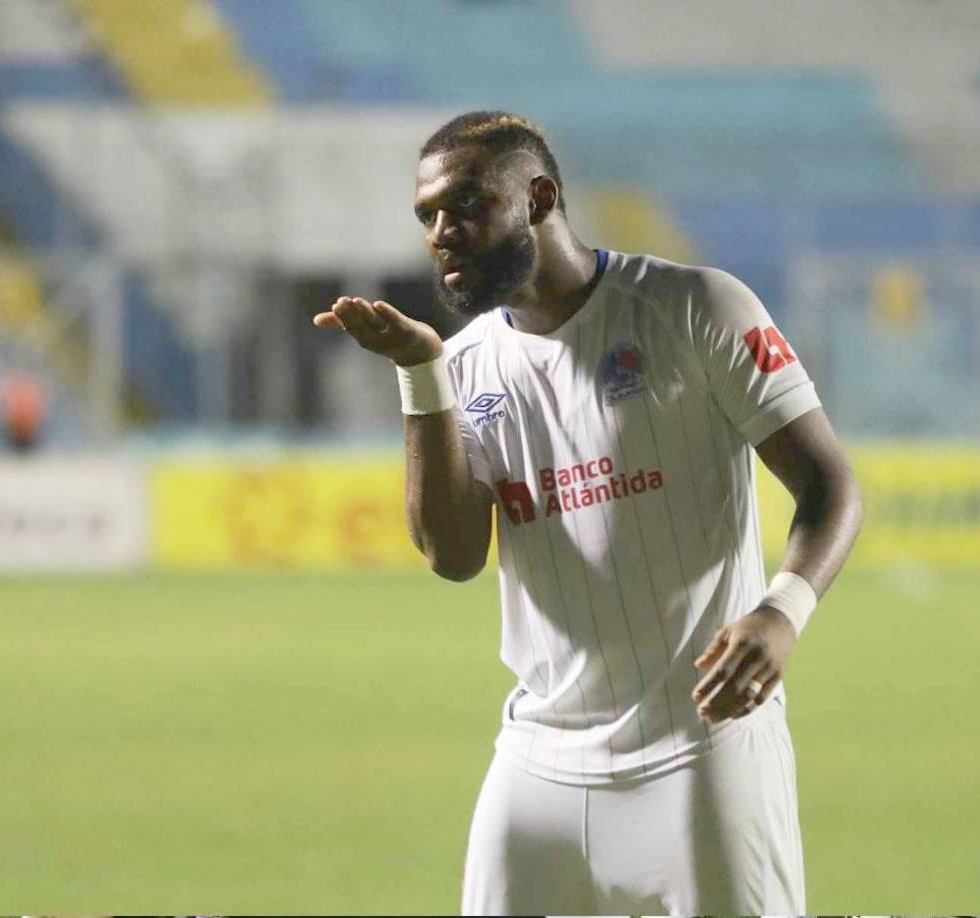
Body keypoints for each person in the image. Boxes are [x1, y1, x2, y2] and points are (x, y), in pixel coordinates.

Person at [314, 111, 863, 916]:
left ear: (538, 197)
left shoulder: (696, 307)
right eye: (427, 215)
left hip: (704, 755)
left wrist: (784, 612)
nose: (441, 232)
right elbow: (453, 554)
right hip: (538, 764)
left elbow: (829, 485)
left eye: (464, 205)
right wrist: (421, 373)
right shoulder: (462, 367)